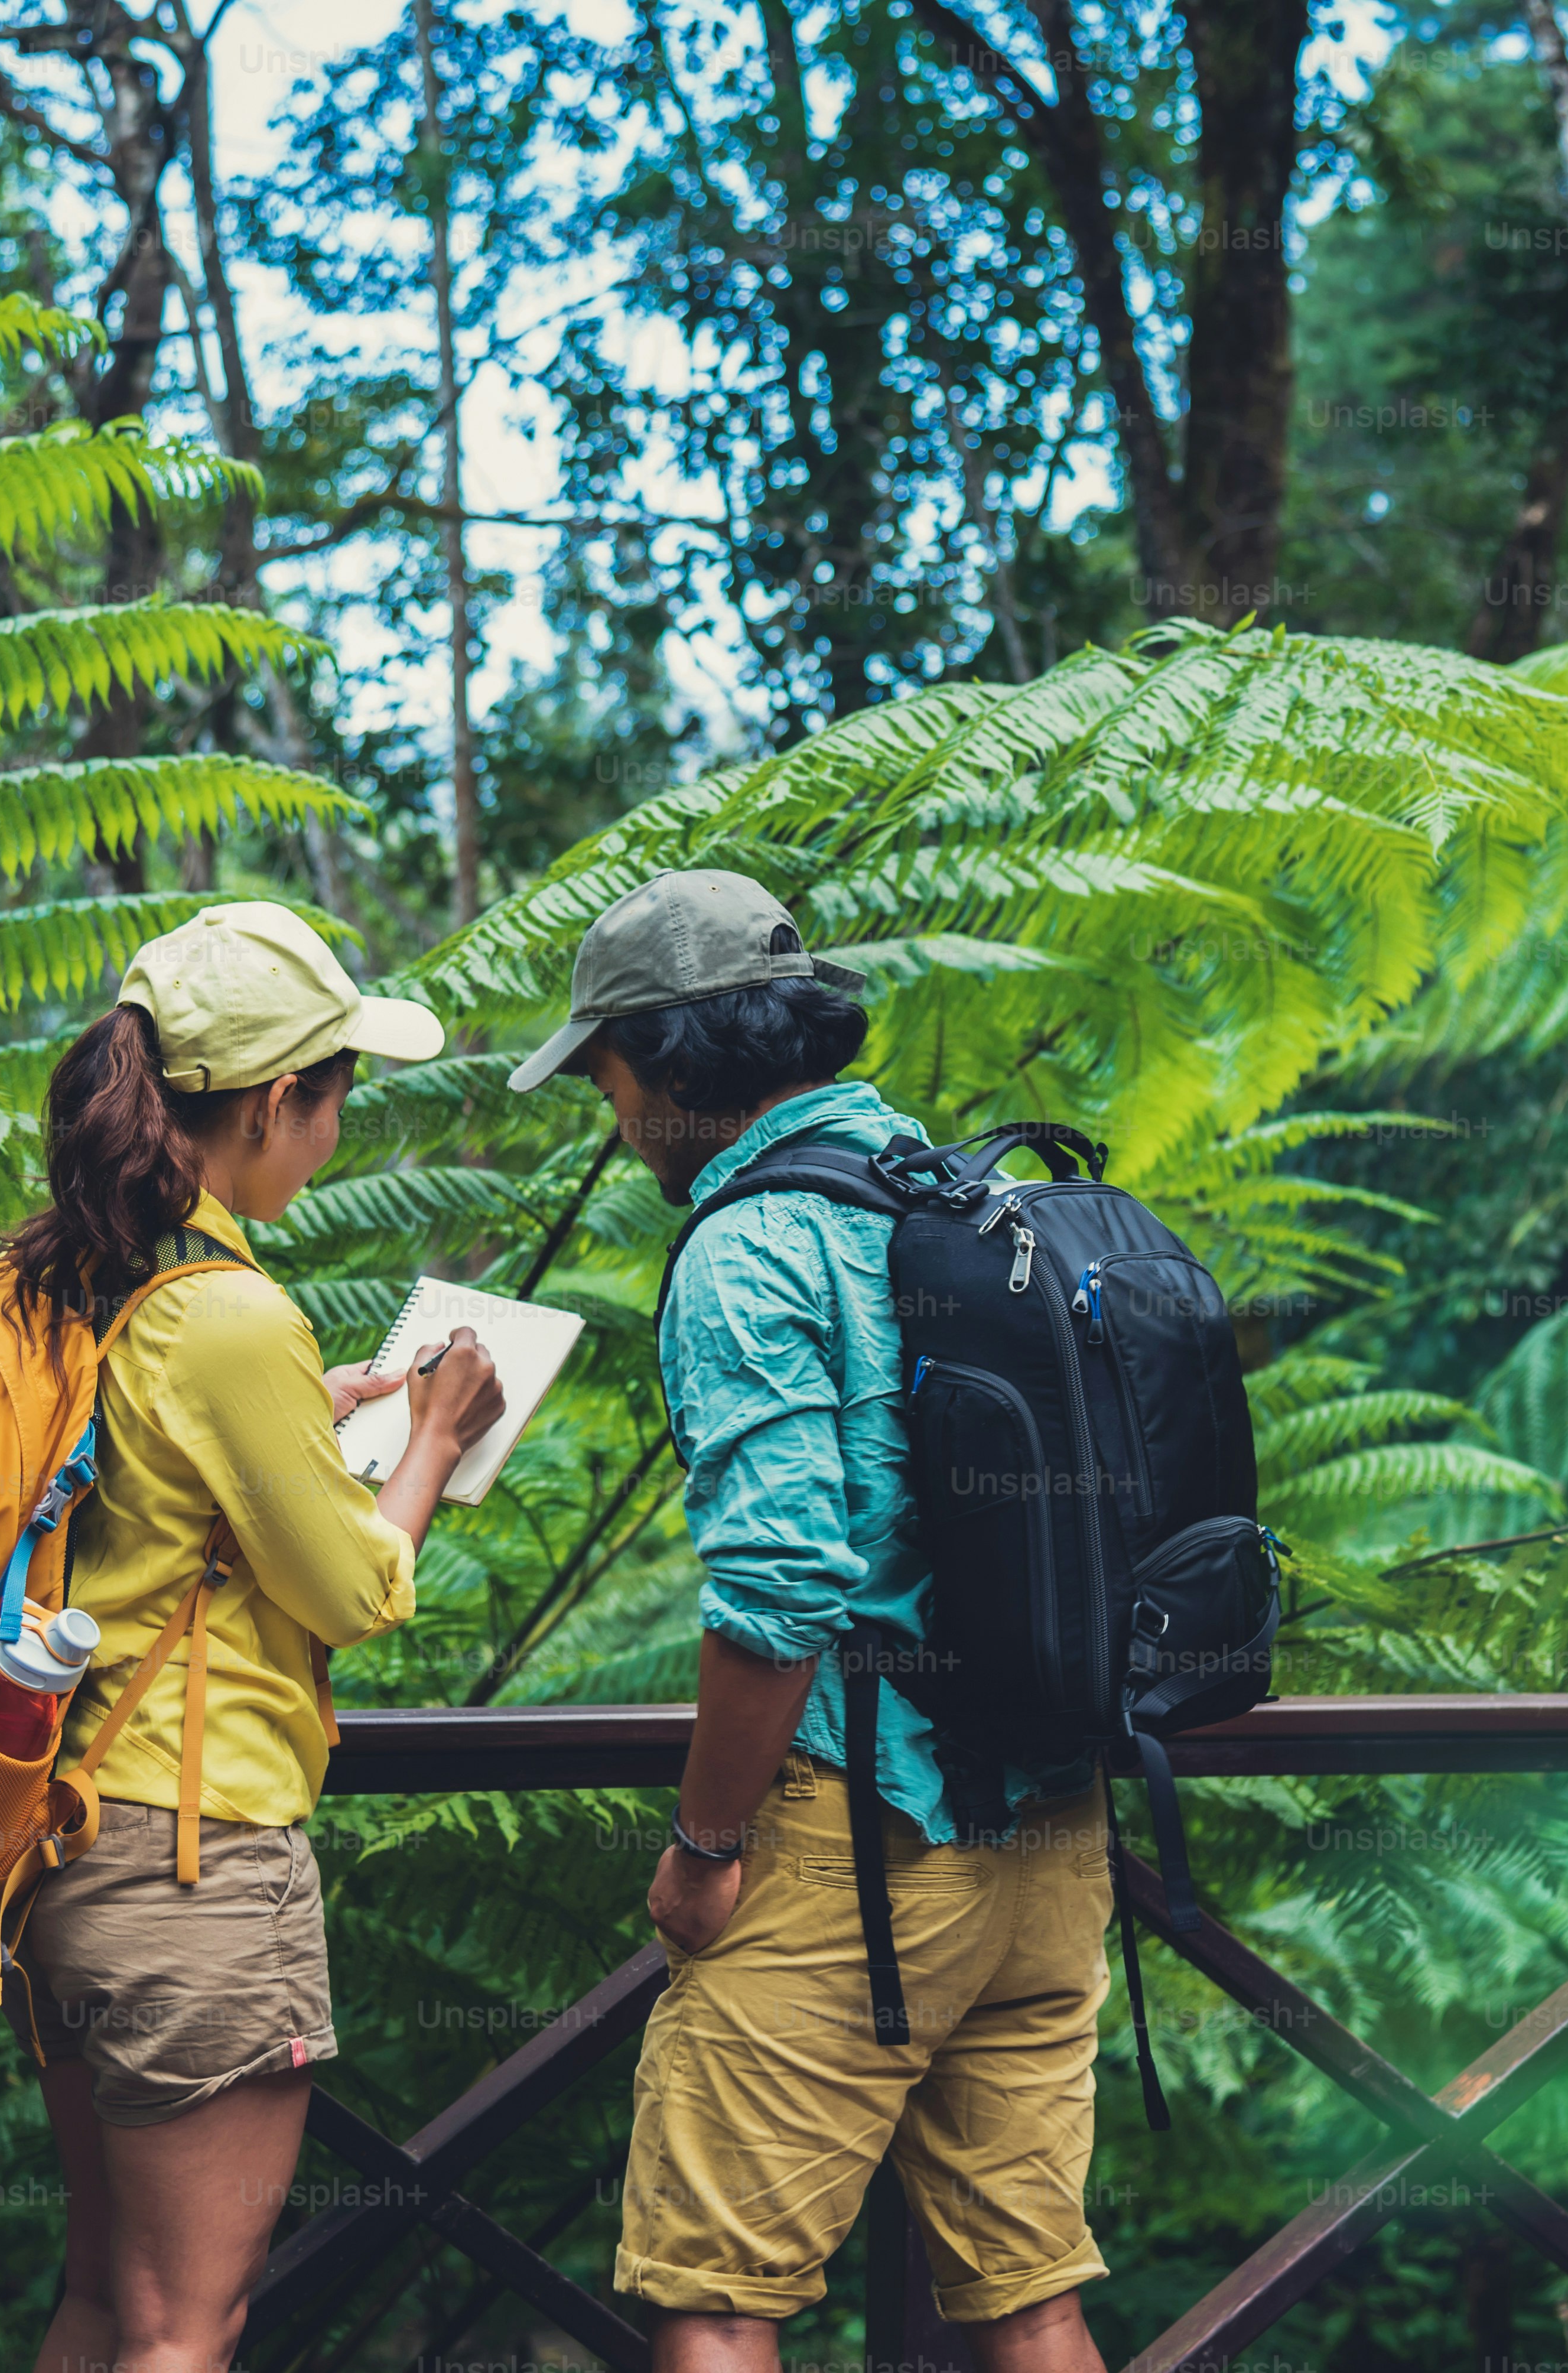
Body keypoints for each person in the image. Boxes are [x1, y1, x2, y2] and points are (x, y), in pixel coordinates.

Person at [505, 869, 1113, 2372]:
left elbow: (777, 1591)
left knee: (717, 2299)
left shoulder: (748, 1248)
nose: (611, 1110)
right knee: (1029, 2295)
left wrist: (705, 1849)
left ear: (668, 1064)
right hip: (1049, 1827)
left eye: (605, 1071)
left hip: (864, 1848)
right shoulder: (969, 1195)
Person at [0, 902, 505, 2373]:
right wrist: (432, 1436)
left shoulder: (87, 1272)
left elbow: (156, 1498)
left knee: (106, 2301)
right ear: (278, 1100)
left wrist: (321, 1403)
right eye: (337, 1094)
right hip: (196, 1865)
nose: (339, 1123)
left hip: (72, 1844)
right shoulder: (226, 1314)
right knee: (187, 2327)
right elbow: (354, 1590)